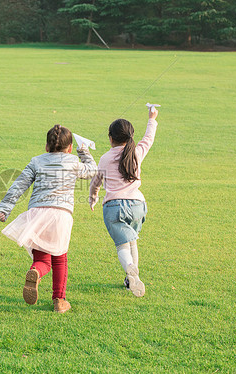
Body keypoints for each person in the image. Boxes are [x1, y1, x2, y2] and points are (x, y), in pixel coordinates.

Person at [0, 124, 97, 313]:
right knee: (60, 258)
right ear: (69, 148)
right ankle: (59, 300)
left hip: (37, 215)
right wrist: (84, 151)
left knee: (43, 258)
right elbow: (92, 170)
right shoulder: (73, 161)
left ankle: (36, 271)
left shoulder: (36, 161)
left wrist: (4, 208)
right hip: (61, 215)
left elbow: (19, 185)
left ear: (46, 147)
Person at [89, 108, 158, 297]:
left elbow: (96, 182)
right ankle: (131, 281)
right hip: (137, 206)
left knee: (122, 246)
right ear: (130, 137)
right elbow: (148, 139)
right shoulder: (136, 153)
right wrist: (152, 118)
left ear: (110, 138)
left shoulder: (105, 158)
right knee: (132, 240)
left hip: (114, 208)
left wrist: (93, 197)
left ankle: (129, 267)